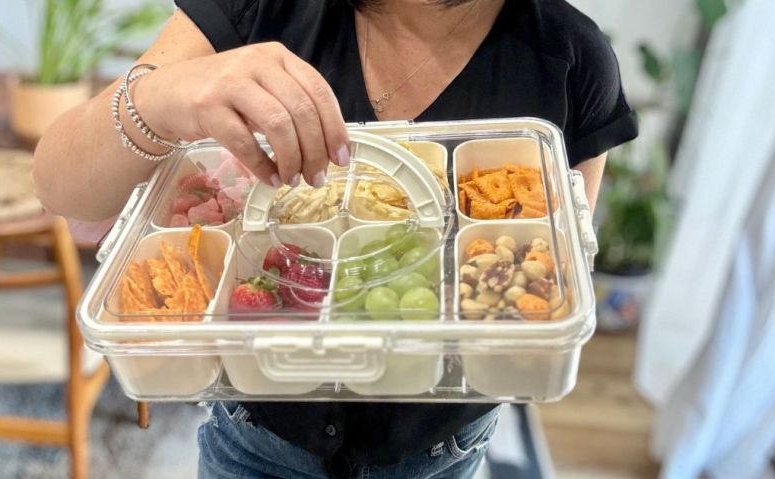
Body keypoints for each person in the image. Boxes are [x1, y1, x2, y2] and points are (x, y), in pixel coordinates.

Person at [33, 1, 638, 477]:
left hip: (442, 448)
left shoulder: (572, 59)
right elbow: (59, 185)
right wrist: (163, 97)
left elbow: (555, 268)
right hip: (253, 434)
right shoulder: (259, 7)